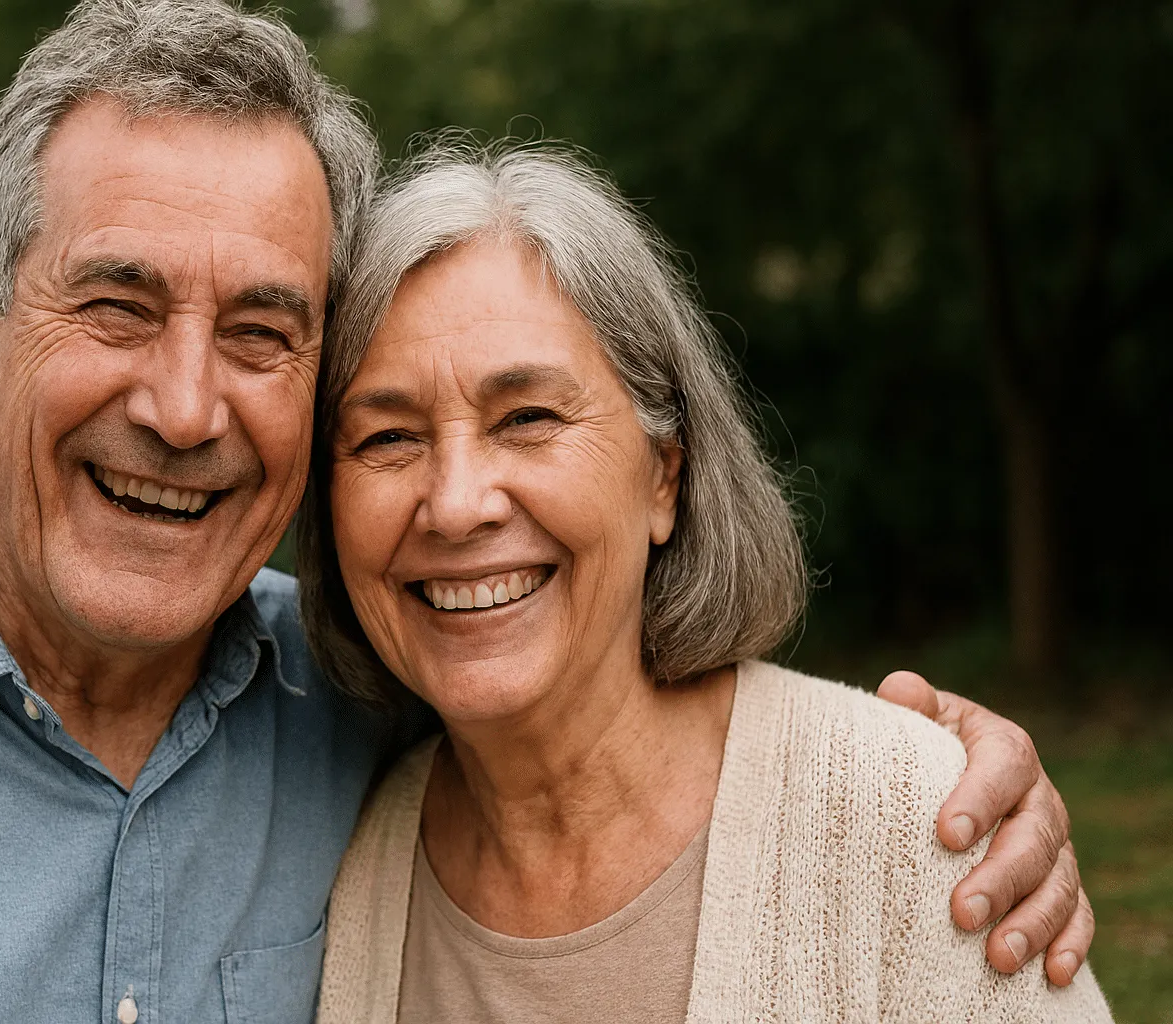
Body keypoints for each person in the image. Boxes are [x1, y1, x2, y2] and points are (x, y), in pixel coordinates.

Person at [0, 2, 1087, 1021]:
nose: (189, 408)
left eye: (264, 333)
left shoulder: (370, 709)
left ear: (669, 470)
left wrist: (935, 791)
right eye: (119, 304)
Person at [303, 142, 1112, 1022]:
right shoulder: (340, 842)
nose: (455, 506)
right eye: (387, 437)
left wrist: (916, 777)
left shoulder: (914, 821)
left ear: (665, 478)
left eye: (527, 417)